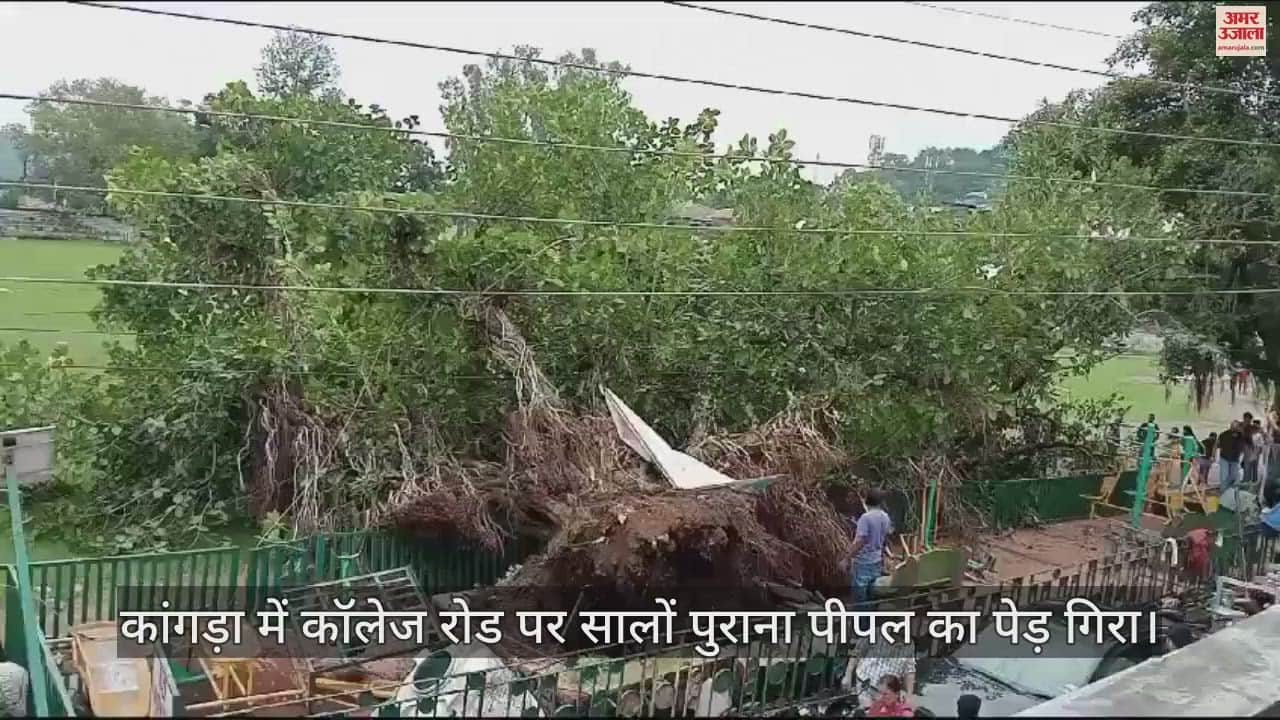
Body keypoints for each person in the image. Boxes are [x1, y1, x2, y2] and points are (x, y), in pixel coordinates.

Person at [850, 488, 893, 607]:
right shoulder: (885, 517)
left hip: (863, 563)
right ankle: (871, 623)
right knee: (873, 595)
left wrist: (847, 557)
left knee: (860, 599)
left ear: (867, 501)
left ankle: (861, 625)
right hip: (877, 561)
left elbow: (860, 540)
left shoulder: (865, 518)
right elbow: (884, 538)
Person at [1218, 421, 1244, 493]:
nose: (1235, 428)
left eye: (1237, 426)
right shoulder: (1223, 434)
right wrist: (1213, 455)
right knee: (1224, 476)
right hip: (1224, 458)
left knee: (1234, 476)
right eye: (1233, 426)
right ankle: (1223, 493)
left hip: (1235, 459)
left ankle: (1230, 491)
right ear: (1231, 426)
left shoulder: (1241, 435)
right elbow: (1217, 445)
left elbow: (1243, 446)